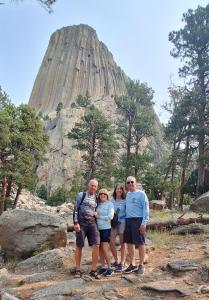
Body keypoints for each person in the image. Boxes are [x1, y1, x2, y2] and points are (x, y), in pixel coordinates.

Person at [73, 179, 100, 279]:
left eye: (95, 186)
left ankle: (93, 270)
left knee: (97, 244)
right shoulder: (81, 195)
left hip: (92, 223)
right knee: (79, 245)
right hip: (81, 223)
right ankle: (78, 269)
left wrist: (97, 214)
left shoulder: (96, 198)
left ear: (96, 188)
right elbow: (76, 209)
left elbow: (97, 210)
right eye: (92, 185)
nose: (93, 187)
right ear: (88, 185)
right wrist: (75, 223)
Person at [123, 176, 149, 276]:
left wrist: (144, 223)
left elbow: (145, 209)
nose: (130, 184)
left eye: (132, 182)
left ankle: (141, 265)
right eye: (128, 182)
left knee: (141, 243)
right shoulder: (128, 195)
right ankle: (132, 264)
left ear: (136, 183)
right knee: (129, 243)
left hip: (138, 220)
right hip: (128, 220)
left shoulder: (141, 194)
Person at [95, 188, 114, 277]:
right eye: (101, 194)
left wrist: (99, 217)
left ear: (107, 196)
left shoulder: (110, 204)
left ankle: (110, 267)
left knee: (105, 248)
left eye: (104, 194)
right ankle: (103, 266)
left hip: (106, 229)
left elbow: (110, 216)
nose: (102, 195)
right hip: (97, 229)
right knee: (99, 248)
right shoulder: (98, 205)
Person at [110, 184, 126, 272]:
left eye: (120, 189)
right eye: (117, 189)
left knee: (122, 243)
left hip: (122, 222)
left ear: (122, 191)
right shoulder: (111, 200)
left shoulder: (125, 200)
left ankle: (122, 262)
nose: (119, 190)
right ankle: (116, 260)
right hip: (113, 223)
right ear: (115, 190)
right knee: (111, 242)